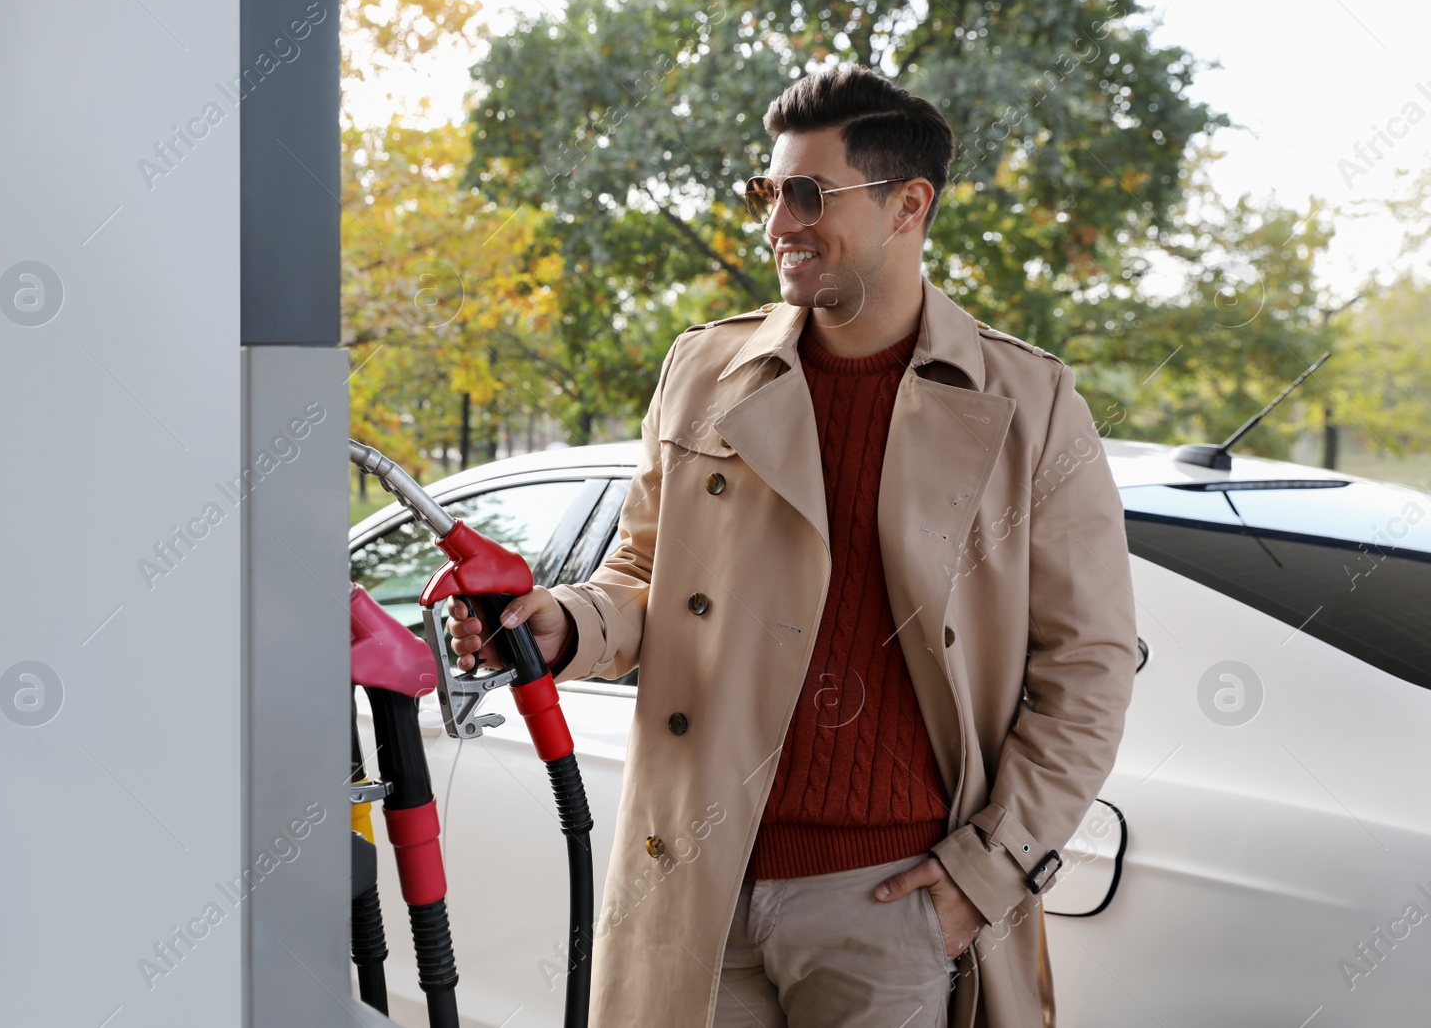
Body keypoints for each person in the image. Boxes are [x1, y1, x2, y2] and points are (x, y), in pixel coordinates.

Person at [447, 65, 1137, 1028]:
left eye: (810, 194)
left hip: (892, 907)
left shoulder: (1027, 402)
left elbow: (1090, 662)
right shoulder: (703, 370)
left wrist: (982, 875)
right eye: (770, 191)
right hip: (694, 882)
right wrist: (559, 625)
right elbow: (643, 576)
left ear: (909, 205)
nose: (779, 221)